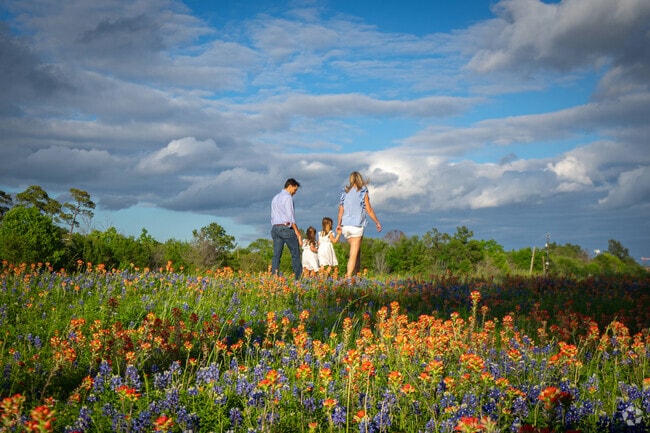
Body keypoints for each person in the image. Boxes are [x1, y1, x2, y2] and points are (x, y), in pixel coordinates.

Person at [336, 171, 382, 278]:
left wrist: (339, 224)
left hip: (345, 226)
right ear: (360, 179)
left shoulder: (345, 192)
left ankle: (356, 277)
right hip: (356, 226)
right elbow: (369, 209)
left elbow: (340, 211)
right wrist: (377, 222)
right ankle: (348, 278)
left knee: (357, 253)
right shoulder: (363, 191)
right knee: (353, 254)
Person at [271, 178, 302, 279]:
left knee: (276, 255)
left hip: (275, 228)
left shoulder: (275, 197)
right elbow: (291, 217)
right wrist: (298, 233)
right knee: (295, 253)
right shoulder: (288, 198)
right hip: (285, 228)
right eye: (295, 189)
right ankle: (298, 278)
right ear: (290, 186)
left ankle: (274, 277)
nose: (295, 192)